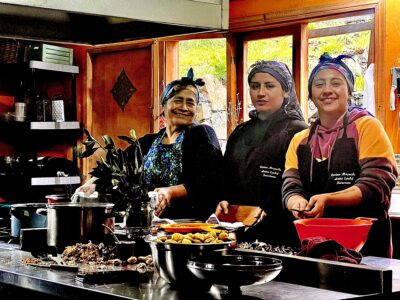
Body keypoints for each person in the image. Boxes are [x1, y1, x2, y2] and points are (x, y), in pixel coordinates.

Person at [282, 53, 399, 257]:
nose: (327, 90)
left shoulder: (367, 127)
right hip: (316, 247)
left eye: (336, 83)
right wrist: (296, 202)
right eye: (319, 84)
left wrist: (328, 199)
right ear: (310, 95)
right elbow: (291, 185)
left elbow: (376, 185)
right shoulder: (300, 140)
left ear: (349, 92)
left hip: (366, 248)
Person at [79, 68, 225, 221]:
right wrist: (94, 181)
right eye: (178, 101)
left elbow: (211, 181)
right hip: (151, 223)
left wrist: (171, 192)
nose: (184, 108)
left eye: (191, 103)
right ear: (164, 105)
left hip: (187, 226)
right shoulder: (149, 142)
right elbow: (117, 165)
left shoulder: (201, 134)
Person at [215, 60, 308, 247]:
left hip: (281, 235)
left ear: (286, 91)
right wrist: (223, 200)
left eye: (270, 86)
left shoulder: (298, 132)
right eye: (255, 86)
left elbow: (302, 188)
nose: (261, 93)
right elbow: (225, 177)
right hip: (240, 233)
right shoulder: (240, 132)